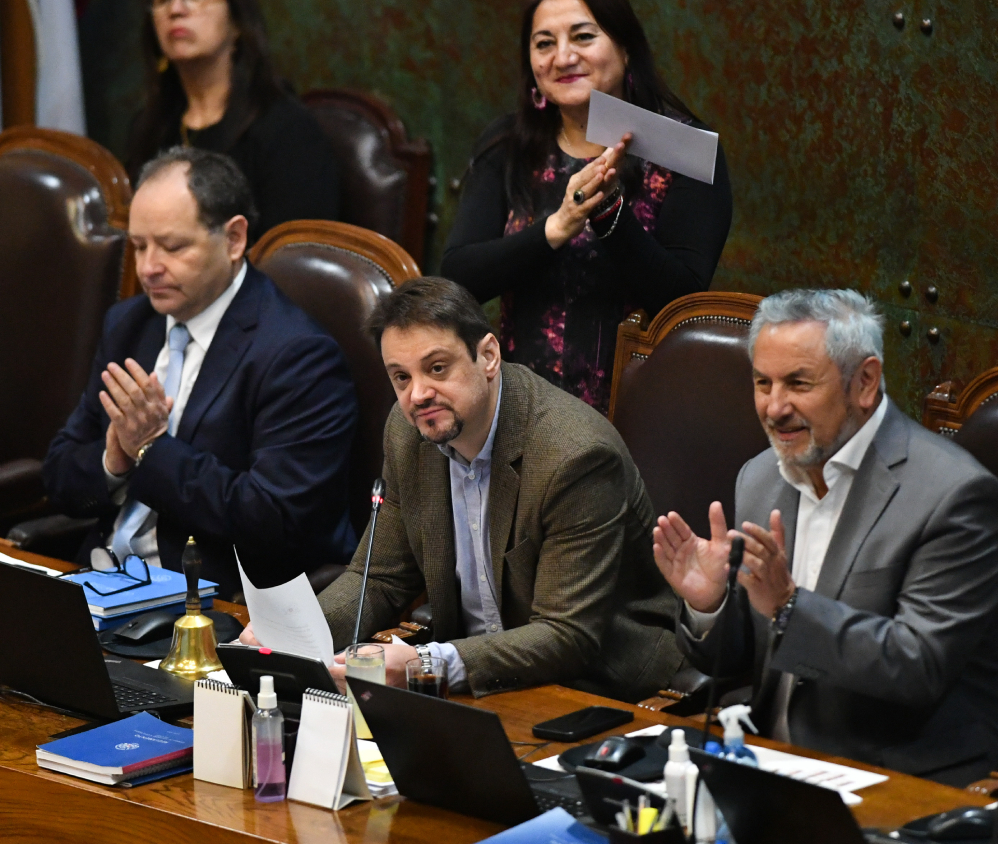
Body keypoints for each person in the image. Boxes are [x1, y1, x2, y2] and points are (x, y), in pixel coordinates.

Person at [242, 276, 683, 701]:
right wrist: (293, 635)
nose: (418, 394)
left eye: (437, 368)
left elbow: (568, 635)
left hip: (600, 686)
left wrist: (426, 664)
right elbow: (380, 578)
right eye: (401, 377)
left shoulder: (575, 456)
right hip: (476, 675)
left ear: (488, 356)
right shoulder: (408, 432)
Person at [654, 289, 998, 786]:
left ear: (864, 382)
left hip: (903, 777)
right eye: (762, 383)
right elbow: (741, 659)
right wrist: (711, 604)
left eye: (798, 383)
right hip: (770, 764)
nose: (774, 408)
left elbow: (920, 667)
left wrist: (787, 607)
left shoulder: (953, 494)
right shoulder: (760, 477)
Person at [42, 147, 357, 600]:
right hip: (98, 584)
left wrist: (151, 448)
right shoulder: (129, 325)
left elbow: (274, 520)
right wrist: (114, 460)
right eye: (139, 246)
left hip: (209, 603)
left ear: (233, 239)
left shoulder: (297, 355)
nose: (148, 268)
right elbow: (59, 477)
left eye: (172, 247)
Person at [440, 0, 732, 413]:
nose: (563, 57)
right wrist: (556, 229)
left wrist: (609, 211)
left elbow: (680, 302)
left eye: (582, 37)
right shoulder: (509, 144)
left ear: (626, 48)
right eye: (544, 43)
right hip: (520, 410)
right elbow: (458, 276)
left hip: (635, 417)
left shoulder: (681, 150)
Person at [126, 0, 340, 239]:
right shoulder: (149, 129)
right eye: (162, 0)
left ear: (237, 21)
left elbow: (296, 254)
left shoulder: (287, 129)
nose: (176, 9)